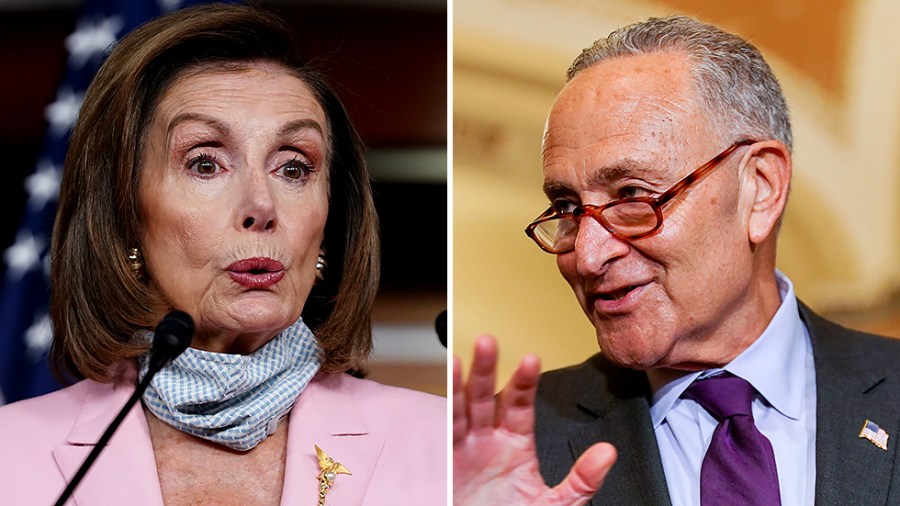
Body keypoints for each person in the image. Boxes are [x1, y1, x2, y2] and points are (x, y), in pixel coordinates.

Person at [0, 3, 446, 505]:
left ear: (328, 224)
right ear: (125, 216)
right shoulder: (10, 455)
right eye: (206, 163)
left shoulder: (441, 445)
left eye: (294, 168)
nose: (261, 205)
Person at [454, 14, 900, 506]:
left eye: (632, 195)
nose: (586, 254)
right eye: (566, 209)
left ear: (760, 189)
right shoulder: (506, 457)